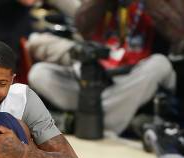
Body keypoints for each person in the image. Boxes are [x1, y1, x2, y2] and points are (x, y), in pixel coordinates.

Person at [28, 0, 177, 135]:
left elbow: (178, 32)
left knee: (160, 64)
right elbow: (82, 25)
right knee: (40, 73)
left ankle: (100, 122)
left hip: (132, 79)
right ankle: (111, 116)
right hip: (95, 78)